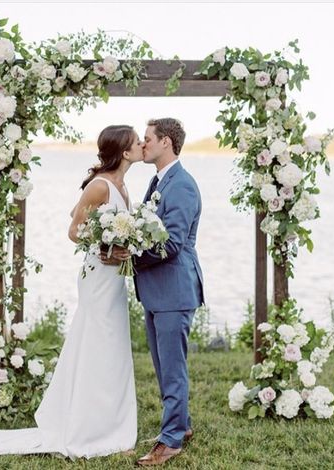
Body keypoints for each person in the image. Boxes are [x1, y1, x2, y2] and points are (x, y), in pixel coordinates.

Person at [0, 125, 144, 460]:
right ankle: (88, 424)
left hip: (113, 281)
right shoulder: (101, 186)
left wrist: (119, 243)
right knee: (97, 343)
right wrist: (107, 251)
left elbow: (79, 217)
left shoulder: (122, 186)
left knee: (110, 346)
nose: (142, 144)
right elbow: (73, 229)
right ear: (124, 152)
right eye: (137, 141)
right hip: (98, 277)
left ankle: (108, 419)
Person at [110, 118, 204, 466]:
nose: (143, 144)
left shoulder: (181, 185)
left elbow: (174, 243)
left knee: (172, 368)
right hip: (157, 291)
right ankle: (181, 426)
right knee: (164, 367)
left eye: (147, 139)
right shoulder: (157, 180)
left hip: (174, 289)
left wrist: (133, 257)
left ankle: (171, 441)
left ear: (166, 142)